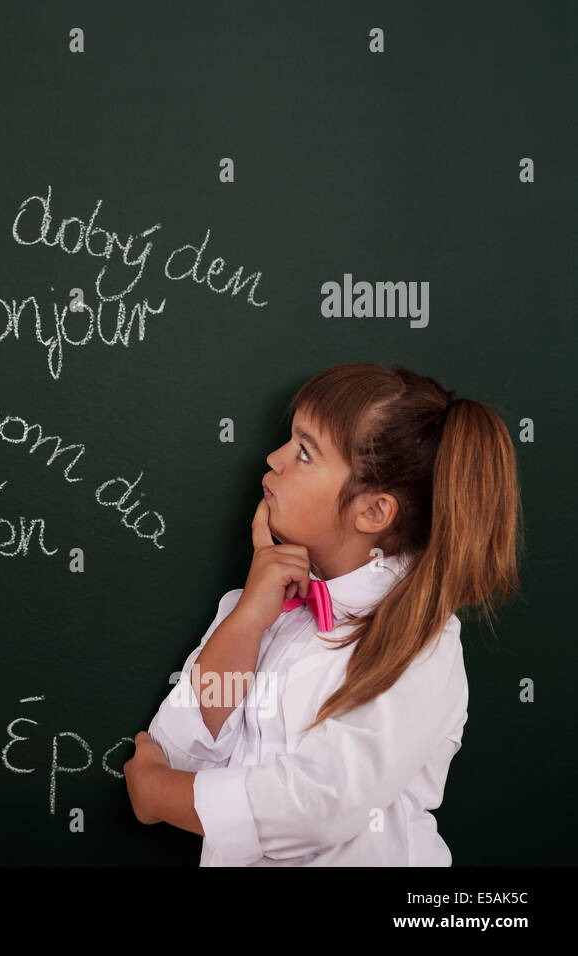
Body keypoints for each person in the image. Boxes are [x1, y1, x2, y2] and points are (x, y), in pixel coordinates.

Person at [123, 363, 523, 865]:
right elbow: (176, 748)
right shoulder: (265, 604)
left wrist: (160, 795)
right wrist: (247, 620)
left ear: (373, 512)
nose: (273, 458)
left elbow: (315, 807)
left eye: (304, 452)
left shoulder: (421, 645)